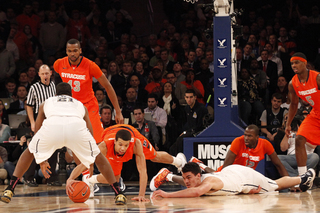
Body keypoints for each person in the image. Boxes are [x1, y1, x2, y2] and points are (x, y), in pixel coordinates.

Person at [0, 82, 126, 204]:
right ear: (71, 95)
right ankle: (118, 193)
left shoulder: (46, 103)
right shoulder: (79, 104)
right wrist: (90, 152)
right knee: (99, 157)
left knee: (28, 153)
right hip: (76, 128)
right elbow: (90, 130)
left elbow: (38, 129)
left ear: (56, 94)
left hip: (52, 127)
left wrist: (41, 157)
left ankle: (9, 189)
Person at [86, 124, 187, 201]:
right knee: (114, 178)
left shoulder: (136, 144)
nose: (122, 149)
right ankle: (90, 180)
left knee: (154, 156)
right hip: (110, 133)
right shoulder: (104, 146)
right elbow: (87, 160)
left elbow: (142, 171)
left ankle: (179, 161)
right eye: (120, 145)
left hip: (131, 132)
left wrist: (141, 195)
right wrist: (74, 177)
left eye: (125, 146)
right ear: (115, 142)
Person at [54, 39, 123, 143]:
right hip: (70, 106)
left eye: (75, 50)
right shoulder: (59, 64)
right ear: (66, 51)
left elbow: (108, 87)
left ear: (80, 50)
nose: (73, 54)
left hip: (88, 105)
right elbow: (55, 80)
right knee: (68, 142)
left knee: (98, 141)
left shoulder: (90, 65)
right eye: (70, 51)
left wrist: (118, 111)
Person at [150, 162, 315, 198]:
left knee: (274, 185)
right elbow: (192, 184)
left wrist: (167, 195)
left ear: (199, 175)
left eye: (189, 177)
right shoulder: (198, 179)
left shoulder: (206, 183)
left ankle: (303, 178)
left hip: (243, 178)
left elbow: (196, 191)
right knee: (192, 182)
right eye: (184, 177)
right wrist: (172, 177)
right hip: (230, 172)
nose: (186, 181)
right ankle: (169, 175)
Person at [285, 52, 320, 176]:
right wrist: (288, 124)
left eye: (296, 62)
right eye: (292, 63)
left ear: (305, 63)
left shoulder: (317, 77)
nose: (294, 65)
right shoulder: (292, 83)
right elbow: (294, 105)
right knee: (299, 139)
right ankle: (303, 177)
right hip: (316, 113)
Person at [26, 65, 56, 132]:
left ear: (51, 73)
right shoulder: (34, 87)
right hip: (39, 117)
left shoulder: (54, 85)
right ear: (39, 74)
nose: (45, 76)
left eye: (46, 73)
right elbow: (29, 106)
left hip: (52, 117)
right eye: (42, 74)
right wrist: (32, 122)